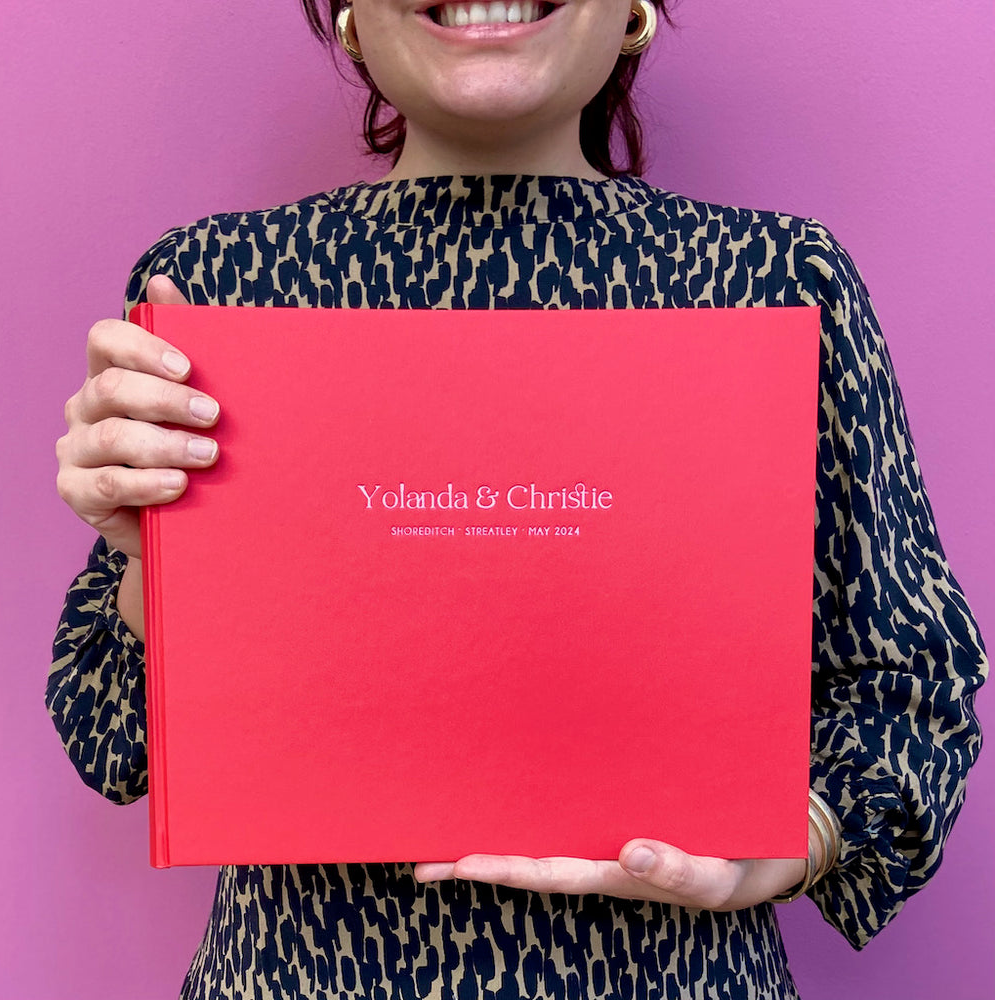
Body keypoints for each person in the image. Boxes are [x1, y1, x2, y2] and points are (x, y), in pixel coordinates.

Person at [49, 1, 987, 997]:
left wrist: (793, 841)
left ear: (632, 11)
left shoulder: (774, 282)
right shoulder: (214, 291)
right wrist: (158, 555)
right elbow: (115, 741)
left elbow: (908, 681)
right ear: (352, 22)